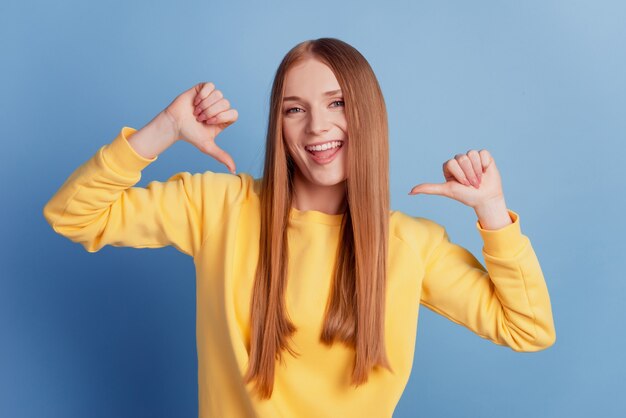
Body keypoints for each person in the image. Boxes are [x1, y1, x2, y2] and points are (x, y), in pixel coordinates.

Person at [43, 37, 556, 418]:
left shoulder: (410, 245)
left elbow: (529, 329)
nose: (317, 127)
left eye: (337, 103)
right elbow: (72, 215)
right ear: (279, 127)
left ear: (368, 115)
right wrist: (164, 130)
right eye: (295, 110)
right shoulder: (218, 206)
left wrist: (492, 212)